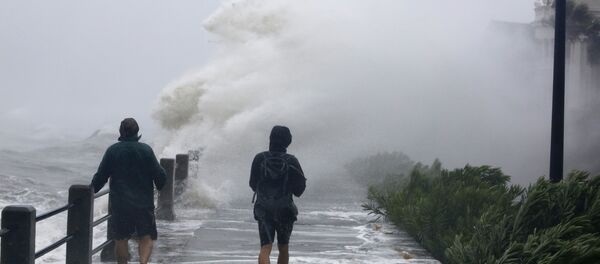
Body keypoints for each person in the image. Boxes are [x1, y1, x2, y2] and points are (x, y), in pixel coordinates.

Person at [91, 118, 166, 264]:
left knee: (121, 238)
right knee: (146, 236)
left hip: (120, 204)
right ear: (137, 131)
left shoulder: (113, 150)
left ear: (121, 132)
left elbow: (101, 176)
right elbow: (160, 176)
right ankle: (143, 262)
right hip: (143, 204)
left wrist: (91, 190)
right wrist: (161, 182)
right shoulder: (146, 150)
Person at [250, 125, 306, 264]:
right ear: (288, 141)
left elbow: (252, 184)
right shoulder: (292, 160)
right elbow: (299, 189)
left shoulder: (259, 158)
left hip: (263, 208)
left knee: (265, 247)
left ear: (271, 139)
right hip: (285, 209)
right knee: (283, 247)